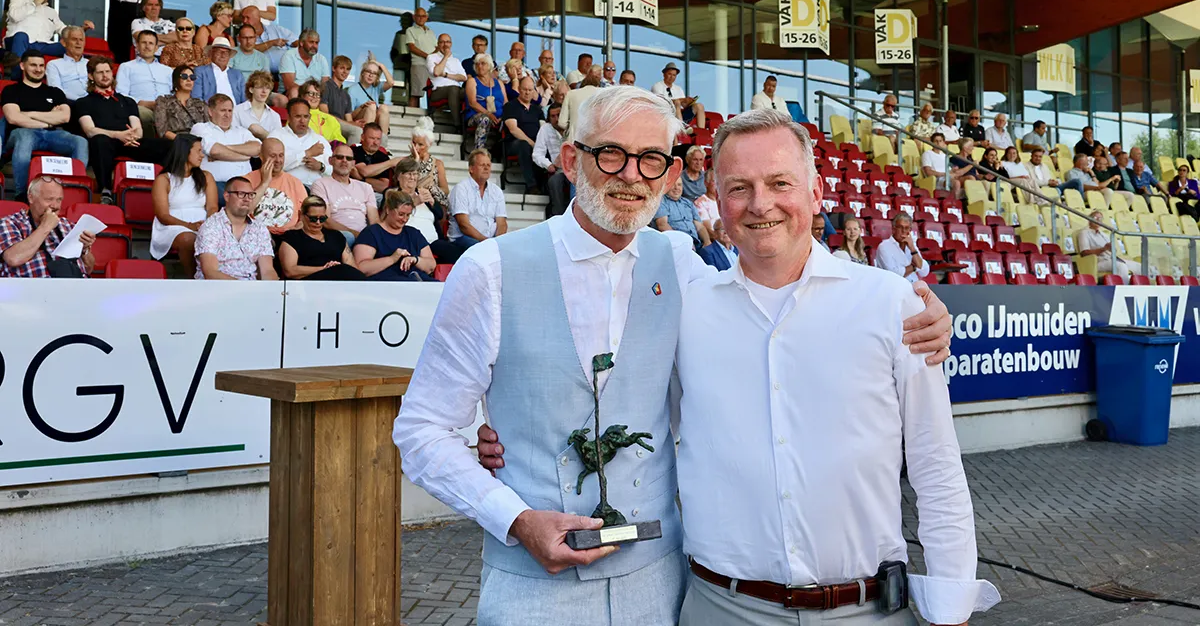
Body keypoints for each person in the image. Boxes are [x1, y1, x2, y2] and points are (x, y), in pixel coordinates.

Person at [399, 92, 953, 626]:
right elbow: (422, 430)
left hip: (662, 591)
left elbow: (778, 293)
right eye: (610, 153)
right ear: (571, 159)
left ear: (669, 174)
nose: (631, 175)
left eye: (651, 159)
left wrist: (914, 313)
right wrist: (514, 518)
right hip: (532, 591)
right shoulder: (489, 269)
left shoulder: (685, 267)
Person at [674, 110, 995, 626]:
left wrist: (952, 610)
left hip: (866, 610)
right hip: (721, 609)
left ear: (816, 192)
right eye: (739, 187)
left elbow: (936, 465)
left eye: (780, 183)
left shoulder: (894, 305)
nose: (761, 204)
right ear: (715, 198)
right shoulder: (686, 310)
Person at [73, 56, 170, 200]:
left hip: (130, 142)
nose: (105, 76)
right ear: (90, 76)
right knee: (99, 140)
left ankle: (165, 188)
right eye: (100, 72)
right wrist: (118, 135)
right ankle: (106, 190)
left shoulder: (127, 101)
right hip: (106, 142)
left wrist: (132, 137)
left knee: (168, 145)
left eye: (107, 71)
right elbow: (90, 130)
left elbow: (138, 128)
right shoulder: (83, 102)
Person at [2, 49, 89, 200]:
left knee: (80, 141)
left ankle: (74, 189)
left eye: (41, 66)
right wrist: (49, 120)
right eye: (33, 65)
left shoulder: (55, 92)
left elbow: (65, 117)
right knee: (24, 136)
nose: (38, 69)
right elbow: (13, 118)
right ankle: (22, 194)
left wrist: (28, 114)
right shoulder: (11, 90)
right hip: (22, 133)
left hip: (53, 134)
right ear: (22, 66)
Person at [150, 134, 218, 276]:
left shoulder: (206, 177)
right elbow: (163, 215)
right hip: (172, 227)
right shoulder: (164, 180)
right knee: (189, 239)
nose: (202, 156)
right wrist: (189, 226)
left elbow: (212, 207)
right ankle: (193, 279)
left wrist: (208, 225)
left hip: (204, 224)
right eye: (198, 151)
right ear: (185, 151)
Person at [0, 176, 95, 277]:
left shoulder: (69, 226)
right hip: (31, 289)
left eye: (59, 200)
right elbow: (13, 258)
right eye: (49, 199)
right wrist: (45, 227)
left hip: (75, 288)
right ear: (31, 197)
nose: (55, 206)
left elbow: (89, 269)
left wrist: (84, 250)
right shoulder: (9, 223)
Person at [195, 175, 278, 281]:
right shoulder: (211, 226)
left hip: (252, 291)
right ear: (226, 196)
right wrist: (242, 290)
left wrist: (272, 290)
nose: (247, 199)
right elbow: (210, 272)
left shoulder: (259, 229)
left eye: (250, 195)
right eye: (241, 194)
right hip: (217, 290)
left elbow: (267, 271)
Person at [353, 190, 438, 281]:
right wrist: (392, 259)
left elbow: (431, 265)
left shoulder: (414, 233)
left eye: (408, 215)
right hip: (387, 285)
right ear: (388, 210)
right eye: (401, 214)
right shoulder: (371, 233)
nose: (405, 219)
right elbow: (361, 268)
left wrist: (416, 260)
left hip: (418, 281)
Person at [278, 196, 366, 281]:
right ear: (301, 215)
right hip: (308, 284)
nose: (318, 222)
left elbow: (352, 268)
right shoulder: (292, 237)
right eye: (313, 218)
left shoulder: (336, 236)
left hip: (339, 284)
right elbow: (290, 271)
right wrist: (325, 269)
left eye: (322, 218)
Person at [191, 93, 259, 200]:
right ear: (210, 112)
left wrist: (225, 148)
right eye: (223, 110)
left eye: (230, 111)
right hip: (214, 185)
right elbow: (215, 151)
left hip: (244, 186)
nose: (227, 115)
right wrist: (244, 156)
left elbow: (257, 148)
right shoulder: (200, 128)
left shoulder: (242, 131)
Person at [8, 0, 90, 58]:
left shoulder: (51, 12)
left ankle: (81, 69)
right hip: (18, 41)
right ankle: (17, 71)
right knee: (21, 36)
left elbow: (63, 30)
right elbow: (15, 16)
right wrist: (35, 3)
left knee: (70, 46)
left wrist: (81, 29)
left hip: (42, 45)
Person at [311, 144, 379, 244]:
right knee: (348, 237)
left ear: (353, 163)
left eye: (349, 158)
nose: (344, 160)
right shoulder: (320, 184)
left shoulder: (366, 187)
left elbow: (374, 221)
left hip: (364, 238)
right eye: (339, 157)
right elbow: (325, 221)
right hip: (335, 235)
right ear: (330, 161)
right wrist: (355, 234)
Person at [447, 148, 508, 250]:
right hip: (463, 239)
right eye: (482, 165)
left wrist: (497, 242)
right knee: (480, 249)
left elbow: (502, 223)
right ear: (471, 169)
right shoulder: (461, 189)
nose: (486, 168)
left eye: (488, 165)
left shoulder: (497, 191)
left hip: (490, 240)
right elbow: (464, 225)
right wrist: (485, 242)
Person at [245, 138, 306, 235]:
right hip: (255, 235)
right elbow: (243, 210)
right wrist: (265, 183)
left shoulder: (296, 183)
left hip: (289, 236)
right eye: (273, 156)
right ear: (261, 156)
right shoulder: (246, 180)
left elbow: (306, 215)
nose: (278, 160)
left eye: (281, 155)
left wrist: (297, 229)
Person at [269, 96, 333, 187]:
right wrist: (307, 153)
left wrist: (321, 167)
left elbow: (334, 170)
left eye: (306, 116)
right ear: (289, 117)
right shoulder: (277, 136)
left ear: (310, 117)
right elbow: (272, 166)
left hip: (317, 190)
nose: (302, 121)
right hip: (286, 188)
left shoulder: (320, 140)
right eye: (298, 116)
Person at [501, 75, 544, 190]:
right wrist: (532, 143)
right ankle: (532, 185)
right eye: (525, 89)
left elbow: (544, 129)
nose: (527, 93)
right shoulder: (510, 106)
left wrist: (540, 144)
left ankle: (544, 186)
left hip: (536, 142)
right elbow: (513, 129)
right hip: (514, 143)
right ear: (519, 89)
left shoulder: (537, 109)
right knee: (524, 145)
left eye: (530, 90)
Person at [116, 31, 172, 117]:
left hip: (167, 109)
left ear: (156, 48)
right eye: (144, 43)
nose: (147, 46)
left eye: (151, 43)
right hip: (141, 108)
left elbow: (175, 93)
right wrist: (142, 103)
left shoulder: (167, 70)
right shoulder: (126, 67)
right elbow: (121, 94)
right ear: (137, 46)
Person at [242, 5, 297, 80]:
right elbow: (250, 50)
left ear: (258, 18)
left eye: (247, 18)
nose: (244, 21)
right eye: (243, 17)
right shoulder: (242, 35)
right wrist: (271, 43)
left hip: (285, 72)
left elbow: (296, 41)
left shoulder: (276, 29)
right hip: (260, 77)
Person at [654, 176, 710, 249]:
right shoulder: (662, 202)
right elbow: (662, 225)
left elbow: (700, 226)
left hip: (696, 244)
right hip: (676, 244)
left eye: (679, 185)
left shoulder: (688, 203)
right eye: (673, 185)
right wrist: (683, 242)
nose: (676, 188)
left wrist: (707, 242)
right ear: (666, 186)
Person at [154, 65, 208, 141]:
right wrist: (184, 142)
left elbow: (209, 128)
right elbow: (162, 131)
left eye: (192, 77)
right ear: (176, 79)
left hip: (200, 143)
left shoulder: (200, 104)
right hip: (175, 143)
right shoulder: (163, 101)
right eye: (184, 76)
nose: (189, 80)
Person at [464, 53, 506, 151]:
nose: (480, 66)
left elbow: (505, 102)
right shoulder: (472, 81)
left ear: (489, 66)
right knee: (485, 119)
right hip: (477, 115)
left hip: (498, 117)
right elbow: (472, 103)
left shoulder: (499, 83)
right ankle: (479, 151)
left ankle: (499, 150)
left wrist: (503, 116)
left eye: (483, 63)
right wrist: (488, 114)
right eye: (477, 64)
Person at [411, 117, 450, 218]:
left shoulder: (437, 163)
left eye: (420, 144)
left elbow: (445, 190)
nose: (416, 148)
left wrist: (430, 189)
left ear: (429, 145)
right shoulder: (406, 162)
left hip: (432, 203)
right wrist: (415, 161)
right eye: (414, 143)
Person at [343, 56, 393, 134]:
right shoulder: (352, 90)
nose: (371, 75)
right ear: (363, 73)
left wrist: (381, 66)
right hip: (359, 121)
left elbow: (391, 83)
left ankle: (383, 140)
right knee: (372, 106)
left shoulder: (376, 87)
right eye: (368, 71)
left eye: (374, 73)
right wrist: (362, 107)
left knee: (384, 108)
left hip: (374, 120)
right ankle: (366, 137)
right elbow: (350, 116)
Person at [875, 212, 929, 282]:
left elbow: (924, 271)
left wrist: (912, 248)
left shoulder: (911, 245)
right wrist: (914, 267)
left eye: (907, 228)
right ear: (893, 229)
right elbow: (894, 274)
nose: (903, 231)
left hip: (914, 287)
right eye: (900, 227)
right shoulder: (884, 246)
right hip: (894, 287)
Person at [651, 61, 706, 130]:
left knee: (699, 105)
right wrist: (682, 100)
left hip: (679, 115)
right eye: (669, 74)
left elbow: (684, 106)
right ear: (664, 74)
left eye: (674, 75)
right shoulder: (657, 86)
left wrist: (689, 102)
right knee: (677, 102)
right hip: (665, 116)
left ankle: (701, 131)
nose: (671, 77)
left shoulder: (678, 88)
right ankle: (681, 128)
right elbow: (662, 103)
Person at [279, 29, 331, 99]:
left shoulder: (321, 59)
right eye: (311, 42)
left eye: (316, 43)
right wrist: (309, 93)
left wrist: (314, 93)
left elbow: (325, 84)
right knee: (294, 91)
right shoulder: (289, 56)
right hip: (293, 93)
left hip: (315, 93)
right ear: (301, 43)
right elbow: (289, 85)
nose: (314, 46)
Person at [428, 33, 469, 123]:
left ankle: (469, 121)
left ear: (451, 44)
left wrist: (446, 75)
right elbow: (436, 72)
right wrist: (446, 57)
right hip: (438, 91)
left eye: (447, 42)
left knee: (471, 91)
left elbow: (463, 77)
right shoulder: (431, 57)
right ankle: (457, 124)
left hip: (457, 89)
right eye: (442, 42)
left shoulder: (456, 60)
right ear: (438, 44)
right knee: (453, 89)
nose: (445, 44)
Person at [352, 122, 399, 197]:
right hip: (354, 192)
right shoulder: (354, 151)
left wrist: (361, 179)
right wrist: (390, 163)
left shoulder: (383, 157)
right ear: (362, 137)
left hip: (376, 196)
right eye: (372, 138)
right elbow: (365, 171)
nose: (375, 142)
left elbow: (383, 186)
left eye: (378, 139)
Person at [1079, 212, 1130, 280]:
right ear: (1089, 220)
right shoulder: (1084, 233)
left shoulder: (1104, 235)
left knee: (1140, 267)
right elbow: (1084, 253)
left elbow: (1113, 251)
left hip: (1112, 259)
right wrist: (1103, 249)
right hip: (1099, 262)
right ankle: (1122, 289)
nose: (1098, 220)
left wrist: (1111, 249)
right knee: (1121, 266)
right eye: (1095, 218)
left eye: (1100, 218)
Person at [192, 37, 244, 103]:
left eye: (226, 53)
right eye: (219, 52)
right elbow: (196, 98)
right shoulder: (200, 72)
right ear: (211, 53)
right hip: (210, 111)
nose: (223, 56)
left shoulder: (237, 74)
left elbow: (244, 100)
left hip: (235, 111)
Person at [233, 70, 282, 140]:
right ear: (251, 89)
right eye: (260, 87)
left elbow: (278, 142)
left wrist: (262, 133)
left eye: (268, 88)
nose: (264, 91)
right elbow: (233, 137)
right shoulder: (237, 111)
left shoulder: (275, 116)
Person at [45, 25, 88, 100]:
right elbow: (57, 91)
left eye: (81, 40)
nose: (78, 43)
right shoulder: (53, 65)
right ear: (64, 43)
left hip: (93, 104)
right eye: (74, 39)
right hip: (69, 104)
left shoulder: (91, 64)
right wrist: (81, 101)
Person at [404, 7, 437, 107]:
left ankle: (431, 116)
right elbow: (412, 47)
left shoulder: (431, 31)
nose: (421, 18)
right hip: (418, 64)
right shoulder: (410, 30)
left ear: (427, 17)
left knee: (433, 93)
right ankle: (411, 118)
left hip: (432, 66)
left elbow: (437, 47)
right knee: (416, 93)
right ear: (414, 17)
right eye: (418, 16)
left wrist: (432, 58)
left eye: (423, 16)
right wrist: (428, 56)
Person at [692, 169, 719, 233]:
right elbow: (708, 230)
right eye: (714, 181)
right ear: (706, 183)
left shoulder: (725, 199)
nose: (718, 184)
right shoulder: (700, 203)